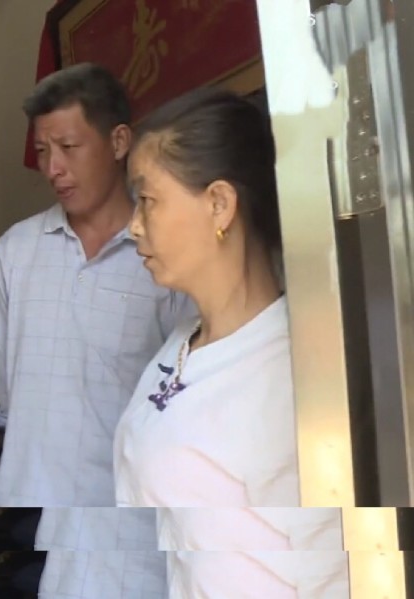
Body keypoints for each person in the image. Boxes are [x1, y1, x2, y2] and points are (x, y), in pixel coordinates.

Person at [114, 86, 348, 596]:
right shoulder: (183, 343)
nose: (133, 227)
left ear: (219, 204)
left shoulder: (298, 369)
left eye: (147, 201)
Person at [0, 62, 193, 597]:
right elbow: (9, 391)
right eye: (41, 151)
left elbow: (190, 395)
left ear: (119, 141)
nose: (53, 168)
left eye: (69, 147)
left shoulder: (166, 253)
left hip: (143, 512)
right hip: (50, 510)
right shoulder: (16, 251)